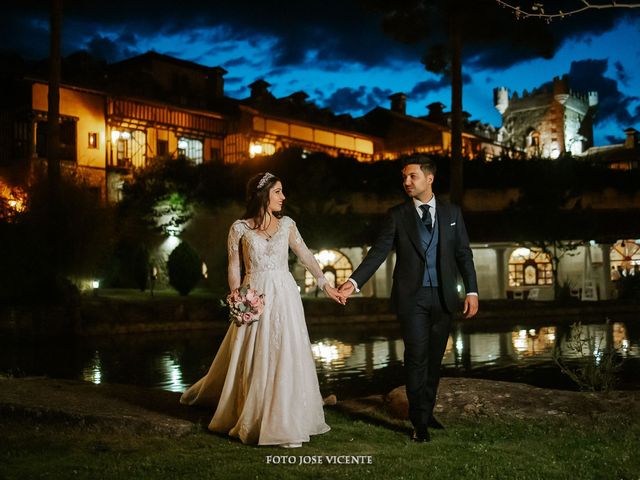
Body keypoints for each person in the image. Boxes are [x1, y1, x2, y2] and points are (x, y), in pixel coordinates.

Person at [180, 172, 345, 448]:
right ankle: (254, 414)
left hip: (285, 295)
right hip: (254, 294)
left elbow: (305, 255)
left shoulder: (288, 225)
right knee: (257, 353)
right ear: (264, 194)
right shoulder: (239, 229)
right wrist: (237, 296)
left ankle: (287, 418)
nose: (283, 197)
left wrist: (325, 285)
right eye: (278, 191)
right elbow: (235, 266)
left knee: (285, 352)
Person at [339, 155, 479, 443]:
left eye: (412, 176)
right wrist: (353, 282)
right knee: (416, 358)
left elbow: (464, 254)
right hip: (411, 299)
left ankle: (425, 413)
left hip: (443, 298)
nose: (406, 182)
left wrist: (472, 291)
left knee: (434, 361)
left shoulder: (452, 214)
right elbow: (378, 253)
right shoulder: (397, 215)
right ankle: (419, 423)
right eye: (404, 177)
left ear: (429, 178)